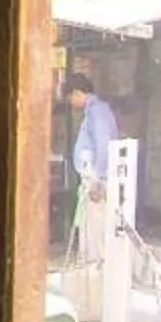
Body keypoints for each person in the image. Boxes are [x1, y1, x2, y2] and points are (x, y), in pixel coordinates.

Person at [66, 70, 120, 261]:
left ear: (77, 93)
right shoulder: (93, 112)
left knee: (97, 231)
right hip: (92, 177)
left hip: (97, 179)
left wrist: (97, 179)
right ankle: (93, 265)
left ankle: (98, 267)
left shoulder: (97, 112)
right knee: (90, 229)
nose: (71, 104)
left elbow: (103, 145)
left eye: (70, 98)